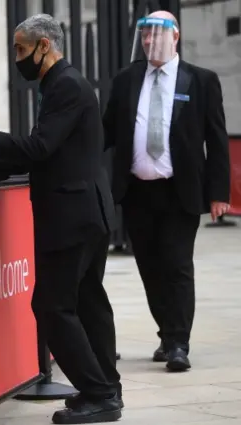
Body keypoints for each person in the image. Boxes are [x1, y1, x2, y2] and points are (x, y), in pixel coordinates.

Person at [0, 13, 121, 425]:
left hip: (72, 217)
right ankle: (105, 389)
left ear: (43, 46)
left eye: (20, 49)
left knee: (52, 306)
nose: (16, 57)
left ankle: (99, 393)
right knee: (87, 304)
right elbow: (44, 155)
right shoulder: (63, 85)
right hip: (86, 213)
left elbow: (38, 148)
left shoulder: (65, 85)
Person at [103, 10, 230, 372]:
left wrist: (219, 192)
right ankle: (166, 333)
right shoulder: (127, 79)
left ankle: (178, 343)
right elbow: (107, 131)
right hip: (137, 191)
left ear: (175, 37)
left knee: (176, 265)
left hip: (180, 191)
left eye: (157, 34)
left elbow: (217, 140)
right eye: (144, 35)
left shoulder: (201, 81)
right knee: (150, 268)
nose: (149, 41)